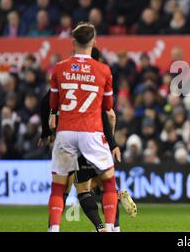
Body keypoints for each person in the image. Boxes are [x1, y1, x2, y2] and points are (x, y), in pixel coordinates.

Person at [39, 47, 137, 232]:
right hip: (94, 139)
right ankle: (113, 226)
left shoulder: (66, 77)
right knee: (104, 183)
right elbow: (110, 115)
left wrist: (47, 130)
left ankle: (93, 227)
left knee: (75, 189)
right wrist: (110, 142)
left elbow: (46, 103)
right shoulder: (97, 79)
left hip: (69, 138)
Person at [47, 22, 117, 232]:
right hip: (91, 131)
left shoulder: (59, 68)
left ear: (73, 42)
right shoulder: (103, 70)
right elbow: (108, 107)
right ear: (94, 42)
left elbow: (53, 103)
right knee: (109, 182)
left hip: (66, 131)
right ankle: (111, 227)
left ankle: (54, 230)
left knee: (58, 187)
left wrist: (53, 118)